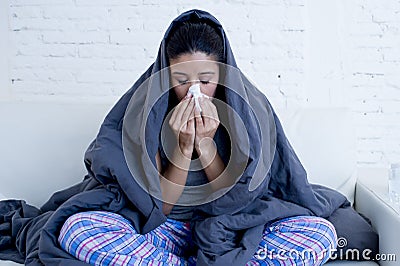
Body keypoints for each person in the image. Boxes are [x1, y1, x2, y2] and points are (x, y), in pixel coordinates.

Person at [0, 9, 378, 266]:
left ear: (224, 74)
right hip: (162, 230)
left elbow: (240, 202)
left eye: (206, 80)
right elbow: (153, 208)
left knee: (319, 232)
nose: (194, 91)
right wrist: (182, 150)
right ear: (166, 75)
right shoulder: (143, 109)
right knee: (79, 230)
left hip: (236, 227)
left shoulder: (248, 109)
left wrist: (208, 147)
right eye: (182, 81)